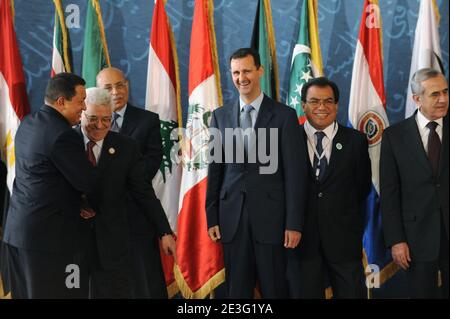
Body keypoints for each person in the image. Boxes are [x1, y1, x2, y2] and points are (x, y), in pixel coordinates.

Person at [205, 48, 308, 298]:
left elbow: (295, 176)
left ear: (260, 71)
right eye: (236, 72)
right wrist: (212, 216)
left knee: (275, 290)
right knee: (237, 292)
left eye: (247, 71)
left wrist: (294, 223)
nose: (242, 78)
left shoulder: (284, 116)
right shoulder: (220, 116)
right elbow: (215, 171)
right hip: (232, 220)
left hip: (272, 221)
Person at [2, 73, 98, 298]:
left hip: (18, 235)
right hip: (50, 243)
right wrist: (90, 203)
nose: (84, 107)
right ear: (61, 102)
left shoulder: (28, 122)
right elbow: (87, 181)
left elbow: (47, 177)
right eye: (81, 100)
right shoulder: (63, 135)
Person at [77, 87, 176, 298]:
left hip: (113, 241)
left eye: (106, 119)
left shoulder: (126, 147)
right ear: (81, 113)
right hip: (74, 240)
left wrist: (164, 232)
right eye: (93, 118)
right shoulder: (66, 141)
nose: (100, 126)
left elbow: (143, 192)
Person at [286, 77, 371, 298]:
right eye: (314, 101)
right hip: (302, 241)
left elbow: (361, 188)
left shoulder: (356, 141)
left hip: (343, 240)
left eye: (328, 101)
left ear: (336, 105)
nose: (321, 107)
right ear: (303, 105)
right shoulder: (287, 137)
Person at [95, 67, 167, 298]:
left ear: (127, 85)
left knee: (144, 282)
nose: (116, 92)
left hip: (136, 216)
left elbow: (150, 165)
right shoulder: (91, 124)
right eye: (108, 88)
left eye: (120, 85)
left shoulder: (148, 121)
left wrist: (114, 185)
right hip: (102, 221)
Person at [381, 68, 449, 298]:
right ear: (416, 99)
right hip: (416, 238)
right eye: (435, 94)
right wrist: (396, 240)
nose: (443, 99)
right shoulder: (394, 136)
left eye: (446, 92)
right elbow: (389, 194)